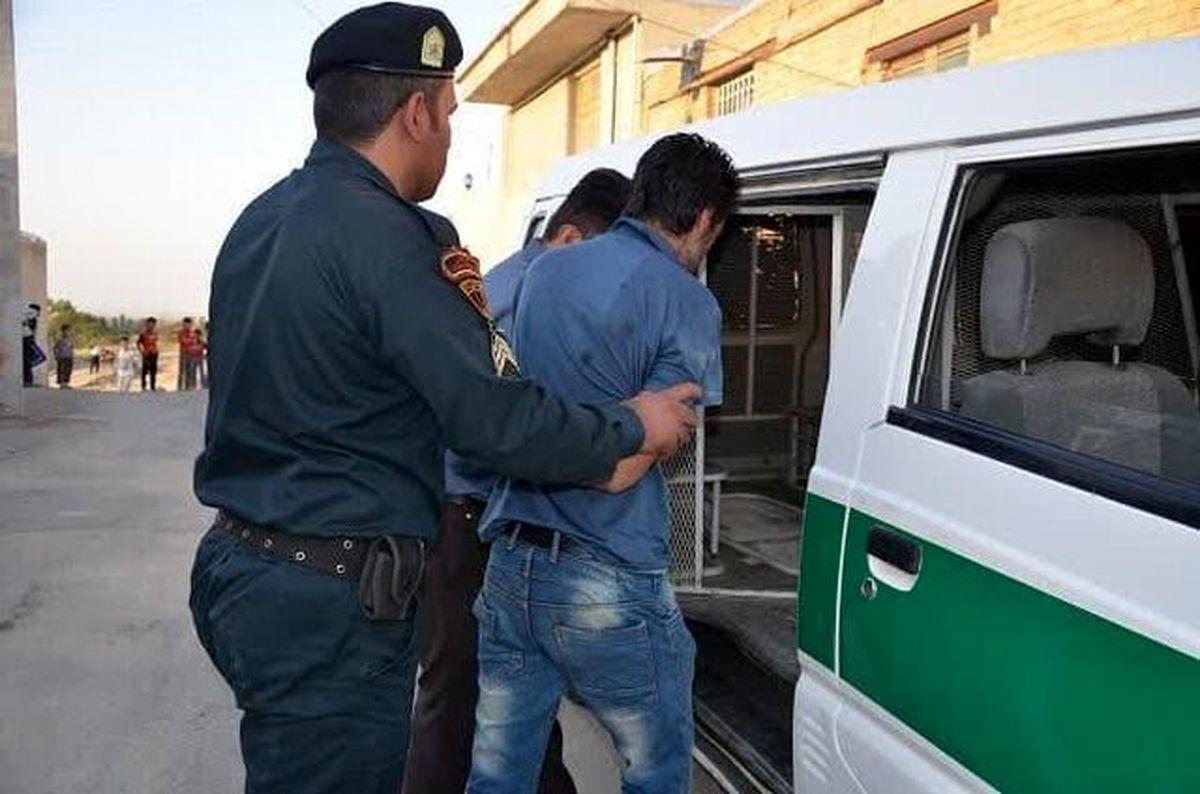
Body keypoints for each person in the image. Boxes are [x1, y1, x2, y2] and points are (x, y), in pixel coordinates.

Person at [187, 7, 698, 794]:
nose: (452, 136)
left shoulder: (261, 219)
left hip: (241, 570)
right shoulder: (395, 237)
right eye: (451, 114)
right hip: (329, 603)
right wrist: (634, 426)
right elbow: (493, 418)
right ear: (418, 114)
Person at [468, 133, 738, 794]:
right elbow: (628, 466)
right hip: (606, 577)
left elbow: (517, 413)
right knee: (656, 773)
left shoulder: (545, 271)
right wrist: (622, 430)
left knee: (498, 777)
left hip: (510, 563)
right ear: (706, 218)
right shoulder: (687, 301)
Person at [403, 167, 633, 794]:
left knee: (512, 692)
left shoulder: (510, 285)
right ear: (569, 240)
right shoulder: (521, 300)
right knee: (455, 700)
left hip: (485, 522)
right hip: (468, 526)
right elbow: (502, 429)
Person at [137, 317, 159, 391]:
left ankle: (153, 387)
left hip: (154, 354)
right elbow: (138, 343)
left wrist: (156, 351)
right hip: (146, 354)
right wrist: (141, 351)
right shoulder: (143, 334)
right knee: (144, 372)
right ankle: (143, 387)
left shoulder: (155, 333)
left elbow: (156, 343)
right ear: (147, 324)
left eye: (153, 324)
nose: (151, 326)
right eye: (150, 324)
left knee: (153, 372)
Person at [178, 317, 199, 390]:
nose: (187, 326)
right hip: (183, 353)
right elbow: (183, 341)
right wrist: (190, 341)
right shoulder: (181, 333)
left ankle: (188, 386)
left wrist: (190, 342)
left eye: (188, 324)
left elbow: (194, 342)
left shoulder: (193, 333)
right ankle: (180, 387)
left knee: (189, 370)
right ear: (183, 324)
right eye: (185, 324)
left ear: (190, 325)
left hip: (191, 353)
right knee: (182, 371)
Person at [53, 325, 75, 389]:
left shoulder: (70, 339)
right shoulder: (59, 339)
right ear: (63, 331)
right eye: (67, 330)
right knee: (62, 371)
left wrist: (72, 356)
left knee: (68, 371)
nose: (68, 332)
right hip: (62, 357)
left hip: (69, 357)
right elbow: (55, 348)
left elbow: (71, 348)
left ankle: (66, 383)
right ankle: (62, 384)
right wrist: (56, 356)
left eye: (69, 330)